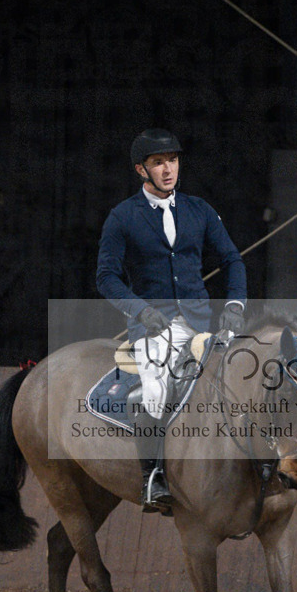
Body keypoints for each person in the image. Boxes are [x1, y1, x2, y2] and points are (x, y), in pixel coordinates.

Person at [96, 128, 247, 512]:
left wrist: (235, 306)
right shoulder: (123, 217)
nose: (168, 169)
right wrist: (140, 310)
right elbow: (107, 277)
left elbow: (232, 259)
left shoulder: (199, 210)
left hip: (200, 324)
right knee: (155, 391)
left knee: (240, 384)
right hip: (153, 327)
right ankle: (154, 478)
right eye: (158, 162)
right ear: (140, 170)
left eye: (173, 160)